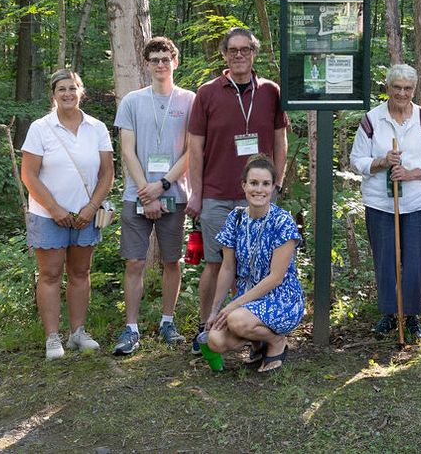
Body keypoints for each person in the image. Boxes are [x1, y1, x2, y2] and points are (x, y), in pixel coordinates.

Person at [186, 27, 289, 354]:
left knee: (260, 267)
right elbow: (195, 147)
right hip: (218, 194)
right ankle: (206, 327)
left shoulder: (271, 91)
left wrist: (278, 184)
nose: (239, 55)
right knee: (216, 265)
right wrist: (197, 194)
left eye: (245, 49)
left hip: (260, 195)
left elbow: (280, 141)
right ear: (224, 54)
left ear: (254, 53)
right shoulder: (207, 93)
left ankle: (256, 332)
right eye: (233, 50)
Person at [21, 69, 114, 360]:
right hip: (48, 215)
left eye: (72, 88)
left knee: (80, 273)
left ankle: (77, 333)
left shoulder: (96, 127)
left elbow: (107, 173)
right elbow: (29, 175)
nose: (67, 94)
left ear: (80, 91)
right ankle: (52, 338)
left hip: (86, 214)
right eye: (61, 89)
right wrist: (55, 209)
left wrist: (90, 208)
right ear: (53, 94)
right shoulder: (40, 128)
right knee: (49, 274)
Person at [112, 37, 195, 355]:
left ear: (176, 62)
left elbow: (192, 150)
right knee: (135, 261)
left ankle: (167, 322)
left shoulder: (190, 100)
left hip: (174, 193)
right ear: (146, 65)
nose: (161, 64)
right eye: (155, 59)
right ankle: (130, 328)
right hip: (137, 194)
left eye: (166, 59)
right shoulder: (132, 101)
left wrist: (162, 185)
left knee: (171, 261)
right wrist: (146, 194)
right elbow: (127, 150)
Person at [349, 64, 421, 339]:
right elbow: (357, 160)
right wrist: (381, 162)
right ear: (387, 88)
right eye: (397, 87)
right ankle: (390, 314)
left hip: (416, 201)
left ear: (414, 90)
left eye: (407, 88)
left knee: (415, 259)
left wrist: (411, 173)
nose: (402, 93)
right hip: (380, 202)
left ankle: (412, 316)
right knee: (386, 259)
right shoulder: (372, 120)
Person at [205, 155, 304, 372]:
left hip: (281, 299)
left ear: (273, 187)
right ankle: (259, 343)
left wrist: (233, 305)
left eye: (266, 184)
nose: (259, 190)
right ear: (244, 185)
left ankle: (276, 342)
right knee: (215, 341)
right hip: (247, 300)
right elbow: (228, 267)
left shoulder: (282, 221)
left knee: (237, 320)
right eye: (254, 183)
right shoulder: (236, 218)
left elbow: (276, 278)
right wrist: (215, 310)